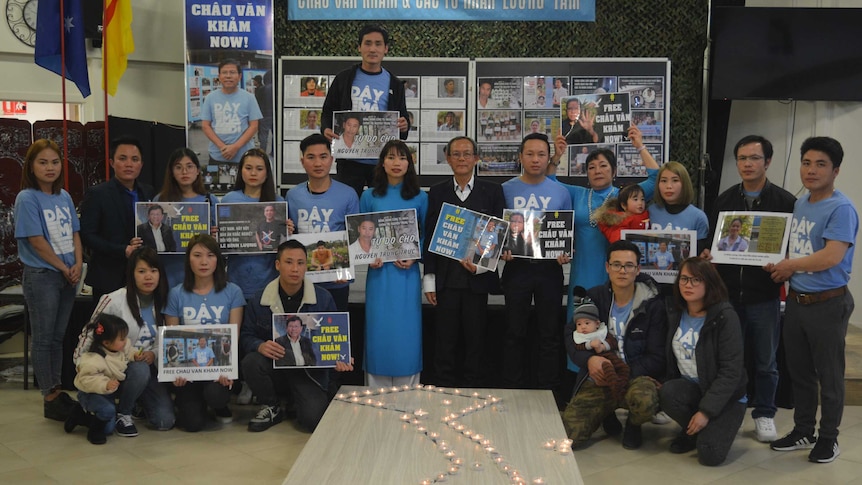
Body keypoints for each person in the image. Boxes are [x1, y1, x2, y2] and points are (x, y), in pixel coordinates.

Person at [766, 137, 858, 464]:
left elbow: (831, 256)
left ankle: (829, 438)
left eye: (821, 164)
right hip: (797, 301)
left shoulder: (841, 208)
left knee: (829, 375)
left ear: (836, 170)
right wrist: (781, 266)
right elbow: (800, 248)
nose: (811, 170)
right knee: (800, 372)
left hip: (827, 303)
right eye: (806, 162)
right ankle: (804, 430)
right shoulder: (802, 202)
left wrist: (790, 265)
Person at [701, 135, 796, 443]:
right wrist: (707, 255)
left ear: (767, 162)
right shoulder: (725, 200)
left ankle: (765, 413)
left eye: (754, 158)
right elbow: (713, 245)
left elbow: (793, 249)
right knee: (730, 360)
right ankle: (731, 411)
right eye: (742, 158)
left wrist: (785, 264)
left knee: (766, 361)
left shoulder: (785, 202)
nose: (747, 164)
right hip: (728, 297)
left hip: (764, 296)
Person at [548, 127, 659, 385]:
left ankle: (614, 384)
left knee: (613, 329)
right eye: (592, 167)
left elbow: (655, 178)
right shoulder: (578, 194)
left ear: (613, 170)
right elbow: (551, 182)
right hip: (583, 273)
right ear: (586, 173)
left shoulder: (624, 197)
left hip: (617, 276)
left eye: (603, 166)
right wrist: (556, 156)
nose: (597, 171)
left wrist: (640, 146)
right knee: (582, 327)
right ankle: (581, 385)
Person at [561, 240, 666, 450]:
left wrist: (622, 373)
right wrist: (589, 359)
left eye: (628, 266)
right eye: (616, 264)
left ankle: (634, 425)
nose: (622, 271)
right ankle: (606, 411)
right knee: (570, 434)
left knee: (644, 402)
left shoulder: (653, 305)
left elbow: (656, 357)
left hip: (636, 376)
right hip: (600, 375)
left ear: (637, 269)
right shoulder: (594, 296)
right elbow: (571, 335)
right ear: (607, 267)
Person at [241, 239, 353, 432]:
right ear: (277, 265)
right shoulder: (259, 299)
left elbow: (335, 339)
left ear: (306, 266)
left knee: (313, 421)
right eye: (289, 262)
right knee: (251, 361)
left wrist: (339, 358)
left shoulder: (323, 298)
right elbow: (245, 336)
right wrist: (259, 346)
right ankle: (271, 405)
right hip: (275, 367)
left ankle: (297, 401)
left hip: (308, 373)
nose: (295, 269)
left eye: (300, 263)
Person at [423, 136, 505, 387]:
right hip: (446, 281)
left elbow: (497, 234)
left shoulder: (492, 191)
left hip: (476, 280)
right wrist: (429, 281)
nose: (461, 159)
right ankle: (443, 388)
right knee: (444, 340)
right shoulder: (437, 193)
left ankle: (473, 388)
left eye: (466, 154)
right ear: (447, 158)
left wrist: (481, 264)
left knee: (475, 339)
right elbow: (430, 236)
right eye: (456, 154)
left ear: (476, 158)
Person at [70, 247, 175, 435]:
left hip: (147, 369)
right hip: (110, 367)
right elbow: (89, 333)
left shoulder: (165, 301)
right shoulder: (114, 300)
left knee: (164, 421)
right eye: (142, 271)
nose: (148, 277)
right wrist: (81, 364)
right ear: (131, 274)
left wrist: (154, 354)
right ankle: (121, 413)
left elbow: (167, 338)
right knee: (107, 427)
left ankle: (134, 403)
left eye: (153, 270)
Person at [14, 139, 83, 421]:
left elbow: (75, 234)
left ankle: (56, 388)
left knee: (58, 336)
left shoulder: (64, 196)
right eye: (43, 162)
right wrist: (62, 267)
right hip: (43, 275)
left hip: (68, 275)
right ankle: (50, 394)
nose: (50, 167)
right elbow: (36, 240)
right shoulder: (27, 198)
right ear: (31, 166)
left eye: (55, 162)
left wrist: (78, 264)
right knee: (43, 338)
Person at [499, 133, 573, 393]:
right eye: (529, 154)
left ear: (548, 157)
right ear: (520, 157)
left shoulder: (561, 192)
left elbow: (566, 234)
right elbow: (497, 233)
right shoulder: (505, 189)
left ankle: (548, 390)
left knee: (549, 333)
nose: (535, 159)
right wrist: (500, 250)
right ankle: (512, 388)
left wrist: (565, 253)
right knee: (513, 332)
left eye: (541, 154)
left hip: (549, 270)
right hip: (516, 268)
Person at [660, 257, 747, 466]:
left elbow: (730, 372)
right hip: (692, 388)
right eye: (684, 279)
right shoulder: (674, 311)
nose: (688, 285)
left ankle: (705, 428)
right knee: (668, 392)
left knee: (710, 456)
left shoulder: (725, 316)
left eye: (696, 280)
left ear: (709, 283)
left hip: (726, 397)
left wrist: (706, 412)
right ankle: (692, 431)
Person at [360, 140, 428, 387]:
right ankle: (375, 390)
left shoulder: (420, 197)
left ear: (410, 163)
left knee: (406, 332)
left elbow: (424, 234)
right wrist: (369, 255)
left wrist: (414, 255)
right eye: (390, 157)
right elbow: (361, 232)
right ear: (382, 162)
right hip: (379, 275)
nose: (396, 163)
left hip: (407, 274)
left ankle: (409, 389)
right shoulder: (369, 196)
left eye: (402, 158)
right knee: (378, 330)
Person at [164, 234, 244, 432]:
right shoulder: (176, 293)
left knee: (216, 395)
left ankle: (218, 404)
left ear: (218, 259)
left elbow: (233, 337)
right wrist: (176, 372)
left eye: (210, 255)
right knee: (192, 425)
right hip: (188, 371)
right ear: (188, 259)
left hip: (217, 369)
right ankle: (190, 402)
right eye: (197, 255)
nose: (204, 262)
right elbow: (172, 340)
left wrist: (227, 370)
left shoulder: (233, 292)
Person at [322, 24, 410, 197]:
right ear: (359, 47)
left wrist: (405, 125)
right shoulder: (344, 78)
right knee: (346, 206)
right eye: (367, 43)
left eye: (378, 44)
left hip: (381, 161)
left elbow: (403, 118)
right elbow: (328, 111)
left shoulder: (394, 83)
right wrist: (325, 128)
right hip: (349, 159)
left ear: (386, 49)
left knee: (378, 209)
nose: (372, 49)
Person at [287, 133, 360, 311]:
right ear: (302, 160)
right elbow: (290, 237)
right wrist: (286, 229)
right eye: (311, 157)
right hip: (301, 280)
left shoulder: (348, 194)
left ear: (332, 159)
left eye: (323, 157)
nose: (318, 163)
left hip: (337, 281)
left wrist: (345, 271)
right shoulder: (292, 195)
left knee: (334, 333)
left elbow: (354, 238)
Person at [81, 136, 155, 301]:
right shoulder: (97, 194)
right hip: (108, 275)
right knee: (108, 325)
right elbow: (87, 235)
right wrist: (122, 250)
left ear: (141, 165)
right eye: (123, 158)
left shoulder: (148, 192)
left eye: (135, 159)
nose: (129, 164)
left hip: (143, 275)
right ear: (111, 162)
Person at [221, 149, 286, 300]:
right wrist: (217, 233)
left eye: (259, 169)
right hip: (236, 279)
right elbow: (222, 245)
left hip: (269, 280)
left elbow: (284, 247)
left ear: (267, 173)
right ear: (240, 171)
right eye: (248, 168)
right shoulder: (229, 200)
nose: (253, 173)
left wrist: (288, 231)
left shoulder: (279, 202)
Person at [155, 148, 219, 288]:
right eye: (178, 167)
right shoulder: (161, 200)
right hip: (170, 270)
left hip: (202, 272)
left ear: (197, 171)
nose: (184, 172)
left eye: (189, 166)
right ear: (171, 172)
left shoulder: (210, 200)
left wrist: (215, 235)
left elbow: (219, 239)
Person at [68, 314, 135, 445]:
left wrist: (135, 355)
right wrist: (105, 384)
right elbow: (87, 379)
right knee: (107, 415)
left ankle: (81, 415)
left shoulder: (120, 348)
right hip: (90, 393)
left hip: (107, 393)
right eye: (121, 339)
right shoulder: (94, 359)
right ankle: (92, 430)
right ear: (106, 343)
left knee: (109, 426)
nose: (125, 341)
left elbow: (129, 351)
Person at [565, 302, 630, 405]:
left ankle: (622, 384)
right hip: (599, 365)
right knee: (608, 369)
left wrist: (603, 346)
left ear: (597, 324)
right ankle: (616, 390)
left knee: (624, 369)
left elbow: (613, 342)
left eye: (587, 323)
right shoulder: (579, 337)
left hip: (613, 358)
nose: (583, 327)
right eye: (579, 324)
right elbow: (578, 346)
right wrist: (590, 344)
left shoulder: (603, 332)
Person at [201, 59, 263, 165]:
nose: (228, 76)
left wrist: (235, 147)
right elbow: (206, 125)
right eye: (224, 72)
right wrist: (222, 147)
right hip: (217, 155)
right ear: (219, 76)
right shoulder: (210, 98)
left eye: (232, 72)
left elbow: (254, 126)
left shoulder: (249, 98)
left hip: (244, 156)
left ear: (239, 76)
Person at [648, 161, 710, 252]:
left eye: (675, 180)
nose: (668, 186)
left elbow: (700, 254)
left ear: (684, 184)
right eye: (664, 181)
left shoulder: (698, 217)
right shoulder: (650, 212)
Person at [258, 70, 274, 156]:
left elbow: (258, 102)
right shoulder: (276, 88)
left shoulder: (262, 89)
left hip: (264, 114)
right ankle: (273, 152)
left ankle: (262, 152)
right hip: (274, 115)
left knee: (264, 135)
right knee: (274, 134)